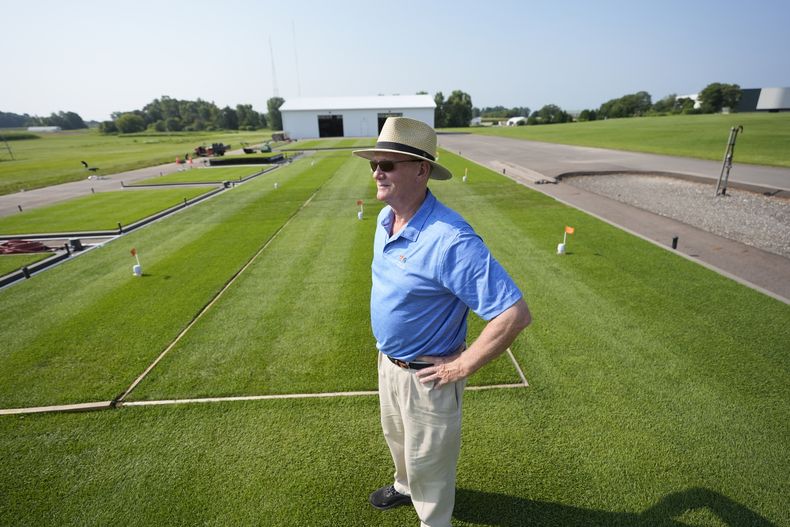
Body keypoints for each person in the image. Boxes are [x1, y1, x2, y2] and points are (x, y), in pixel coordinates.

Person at [353, 117, 531, 527]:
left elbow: (514, 314)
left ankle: (434, 521)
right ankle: (403, 485)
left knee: (430, 463)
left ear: (421, 169)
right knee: (398, 441)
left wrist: (462, 365)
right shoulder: (386, 220)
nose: (378, 172)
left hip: (429, 377)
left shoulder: (451, 239)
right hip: (390, 363)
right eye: (374, 164)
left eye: (389, 164)